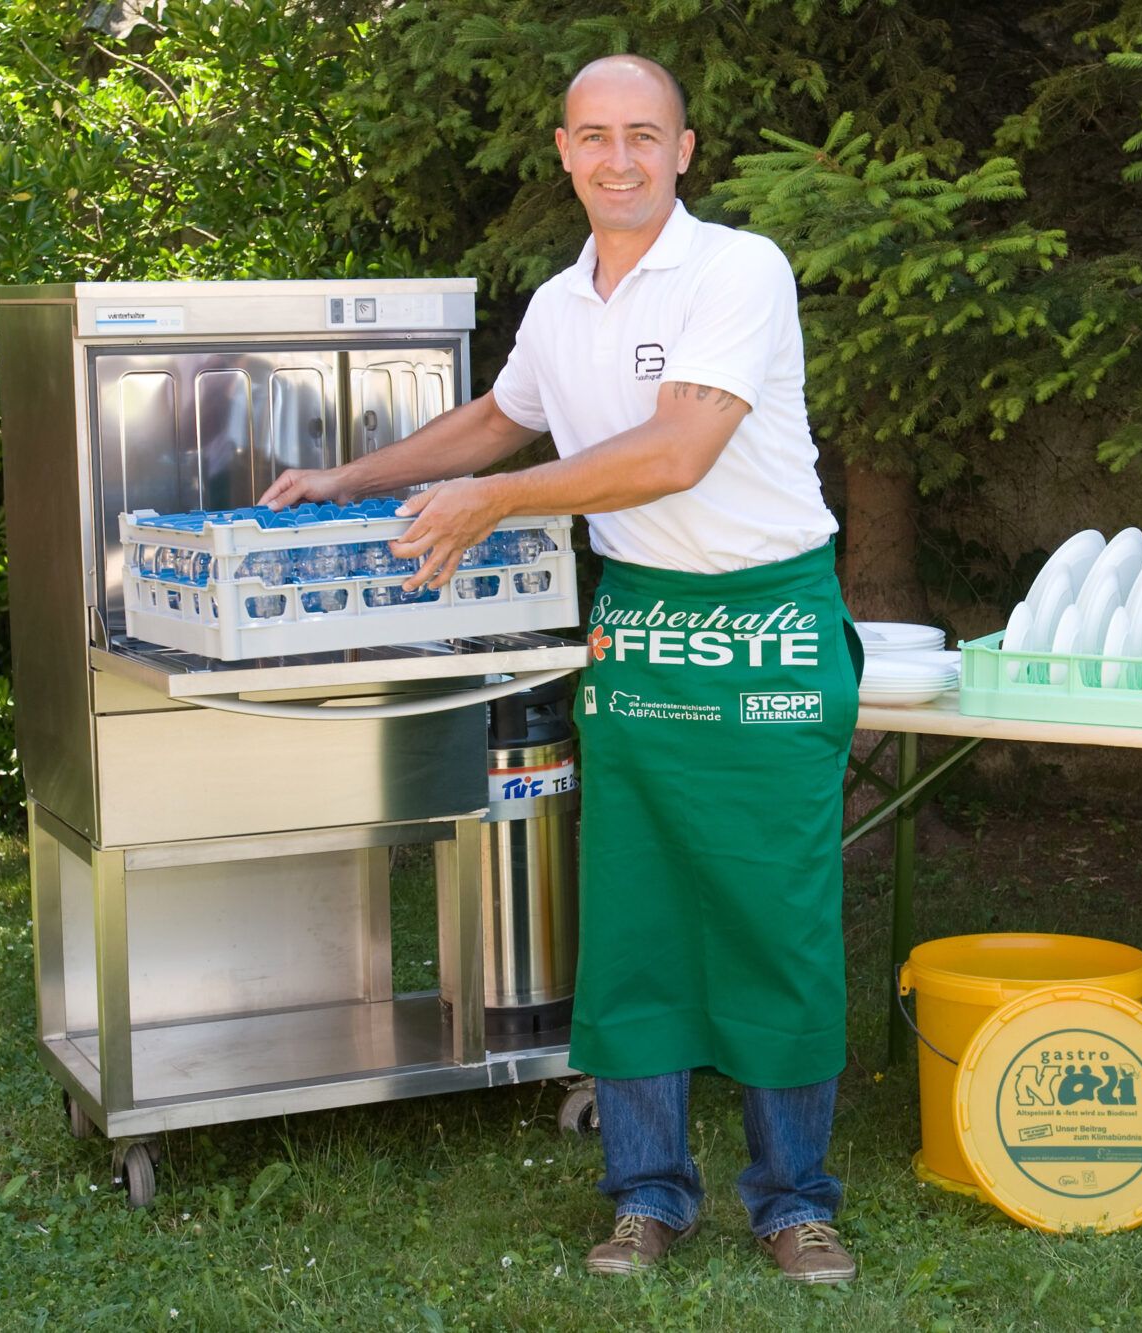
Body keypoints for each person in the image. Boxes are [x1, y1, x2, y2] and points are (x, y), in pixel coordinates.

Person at [261, 54, 862, 1284]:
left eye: (644, 135)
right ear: (564, 151)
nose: (620, 158)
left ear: (684, 150)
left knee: (776, 913)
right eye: (595, 136)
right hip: (638, 627)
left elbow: (676, 450)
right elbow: (498, 417)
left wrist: (490, 500)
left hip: (765, 626)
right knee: (634, 916)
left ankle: (793, 1200)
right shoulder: (557, 301)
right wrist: (351, 477)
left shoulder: (737, 269)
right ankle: (647, 1195)